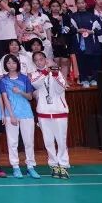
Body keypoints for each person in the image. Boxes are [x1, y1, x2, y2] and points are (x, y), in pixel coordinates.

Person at [29, 51, 70, 179]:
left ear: (46, 60)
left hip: (59, 112)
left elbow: (60, 89)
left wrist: (55, 74)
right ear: (34, 62)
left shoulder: (57, 73)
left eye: (41, 59)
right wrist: (46, 73)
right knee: (48, 142)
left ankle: (63, 165)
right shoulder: (34, 75)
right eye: (36, 60)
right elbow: (36, 84)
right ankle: (53, 165)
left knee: (61, 141)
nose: (39, 61)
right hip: (44, 113)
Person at [0, 54, 39, 178]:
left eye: (13, 62)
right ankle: (15, 167)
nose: (11, 65)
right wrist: (11, 115)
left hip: (26, 113)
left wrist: (20, 92)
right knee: (12, 142)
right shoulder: (3, 80)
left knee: (29, 142)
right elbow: (5, 98)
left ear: (17, 64)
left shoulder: (24, 78)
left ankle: (30, 166)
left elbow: (30, 97)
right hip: (11, 114)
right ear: (5, 65)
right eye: (8, 63)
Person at [69, 0, 102, 87]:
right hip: (79, 44)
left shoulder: (93, 17)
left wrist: (92, 32)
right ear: (76, 4)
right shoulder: (72, 17)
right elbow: (67, 30)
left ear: (86, 4)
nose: (81, 5)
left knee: (94, 63)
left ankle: (94, 79)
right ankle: (84, 79)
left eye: (82, 3)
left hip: (93, 44)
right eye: (78, 3)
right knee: (81, 62)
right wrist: (77, 30)